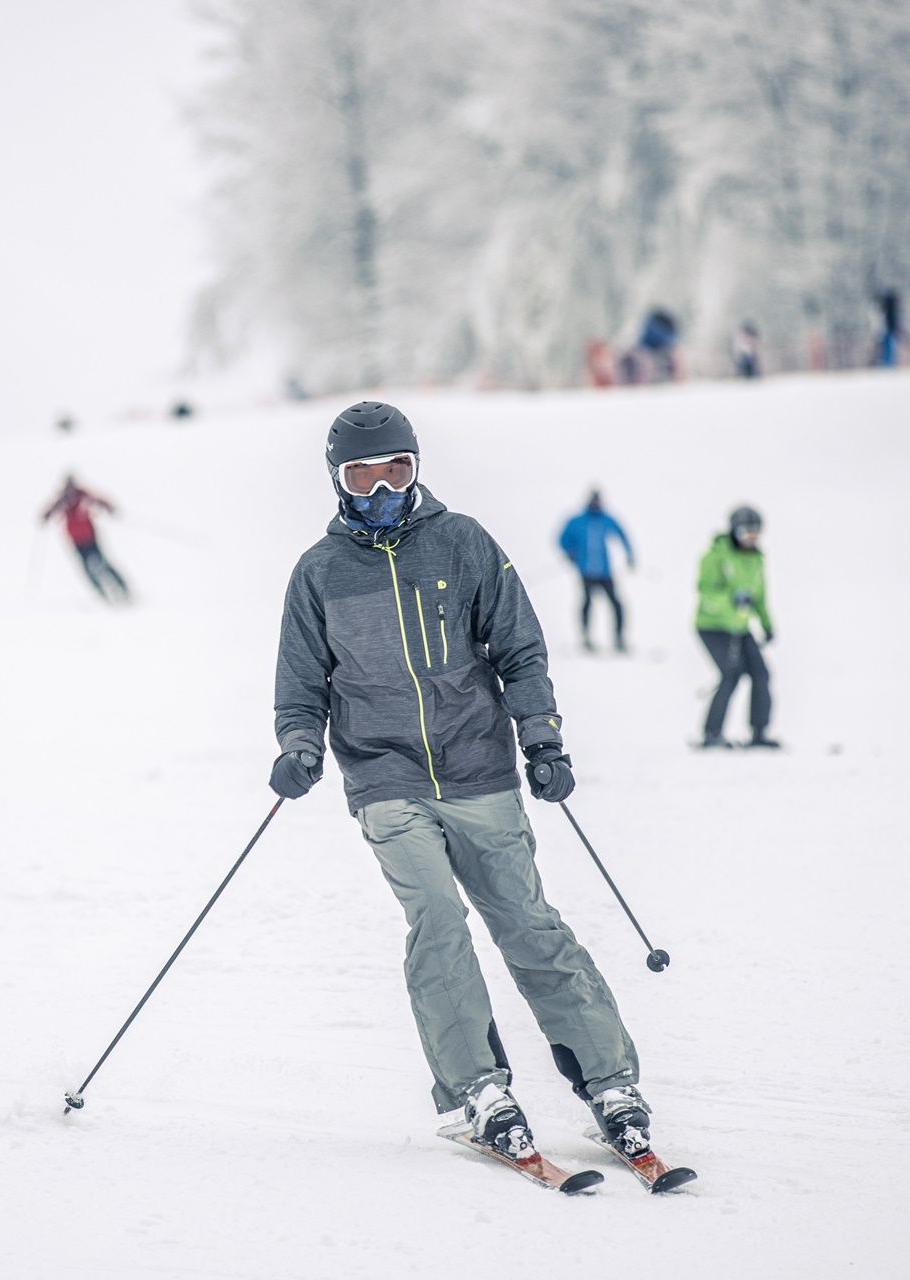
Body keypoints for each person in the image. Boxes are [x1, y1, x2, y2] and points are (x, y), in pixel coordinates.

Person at [270, 400, 658, 1165]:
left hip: (479, 766)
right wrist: (299, 746)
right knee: (438, 922)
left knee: (527, 923)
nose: (381, 489)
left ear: (416, 469)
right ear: (337, 480)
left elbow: (519, 647)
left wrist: (541, 738)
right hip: (384, 777)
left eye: (396, 471)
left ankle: (610, 1082)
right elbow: (301, 684)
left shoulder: (462, 543)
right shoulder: (318, 574)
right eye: (363, 475)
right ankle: (476, 1087)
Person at [695, 506, 777, 749]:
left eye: (756, 534)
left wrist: (766, 623)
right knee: (731, 673)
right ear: (735, 531)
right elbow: (706, 592)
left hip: (740, 627)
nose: (751, 539)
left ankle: (759, 732)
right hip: (712, 626)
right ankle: (712, 734)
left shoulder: (756, 559)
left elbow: (759, 596)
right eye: (746, 533)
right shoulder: (715, 556)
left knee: (761, 673)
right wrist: (730, 601)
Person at [557, 490, 635, 653]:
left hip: (604, 572)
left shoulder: (606, 519)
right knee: (586, 603)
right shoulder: (578, 520)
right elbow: (562, 538)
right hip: (585, 571)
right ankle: (586, 638)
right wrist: (569, 552)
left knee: (616, 604)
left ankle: (619, 638)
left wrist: (629, 555)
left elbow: (622, 535)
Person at [41, 475, 129, 603]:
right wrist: (45, 517)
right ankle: (101, 594)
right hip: (76, 541)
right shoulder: (62, 500)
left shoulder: (82, 495)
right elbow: (48, 512)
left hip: (90, 538)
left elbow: (99, 501)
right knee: (87, 568)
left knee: (102, 562)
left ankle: (122, 588)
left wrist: (110, 508)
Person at [877, 289, 903, 368]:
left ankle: (887, 365)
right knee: (890, 350)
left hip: (887, 332)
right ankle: (888, 365)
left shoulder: (886, 310)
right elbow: (894, 322)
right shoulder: (892, 311)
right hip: (889, 332)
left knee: (888, 350)